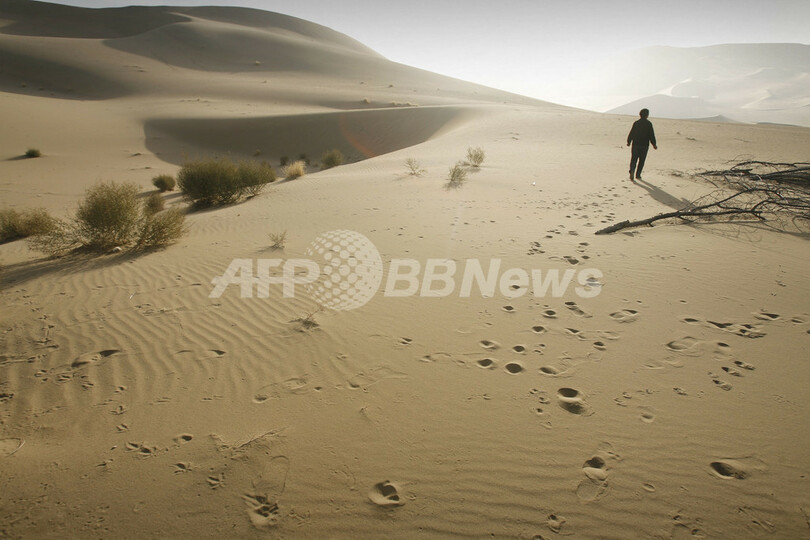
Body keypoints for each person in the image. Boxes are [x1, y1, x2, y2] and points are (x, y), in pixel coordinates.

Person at [626, 108, 657, 181]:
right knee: (642, 160)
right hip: (644, 145)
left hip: (635, 144)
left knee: (634, 159)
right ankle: (638, 175)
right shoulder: (648, 124)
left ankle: (632, 170)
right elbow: (651, 135)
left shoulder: (636, 123)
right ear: (647, 115)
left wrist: (629, 141)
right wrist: (654, 144)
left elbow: (632, 133)